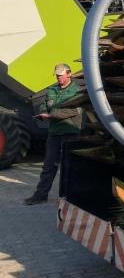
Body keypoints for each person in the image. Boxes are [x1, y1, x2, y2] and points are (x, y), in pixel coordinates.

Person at [24, 63, 83, 205]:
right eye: (57, 75)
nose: (58, 78)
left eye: (61, 75)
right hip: (54, 133)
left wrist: (51, 115)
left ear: (69, 74)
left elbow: (76, 111)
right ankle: (40, 195)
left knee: (70, 165)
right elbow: (44, 104)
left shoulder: (78, 91)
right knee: (48, 165)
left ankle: (71, 197)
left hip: (70, 132)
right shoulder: (52, 90)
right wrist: (43, 112)